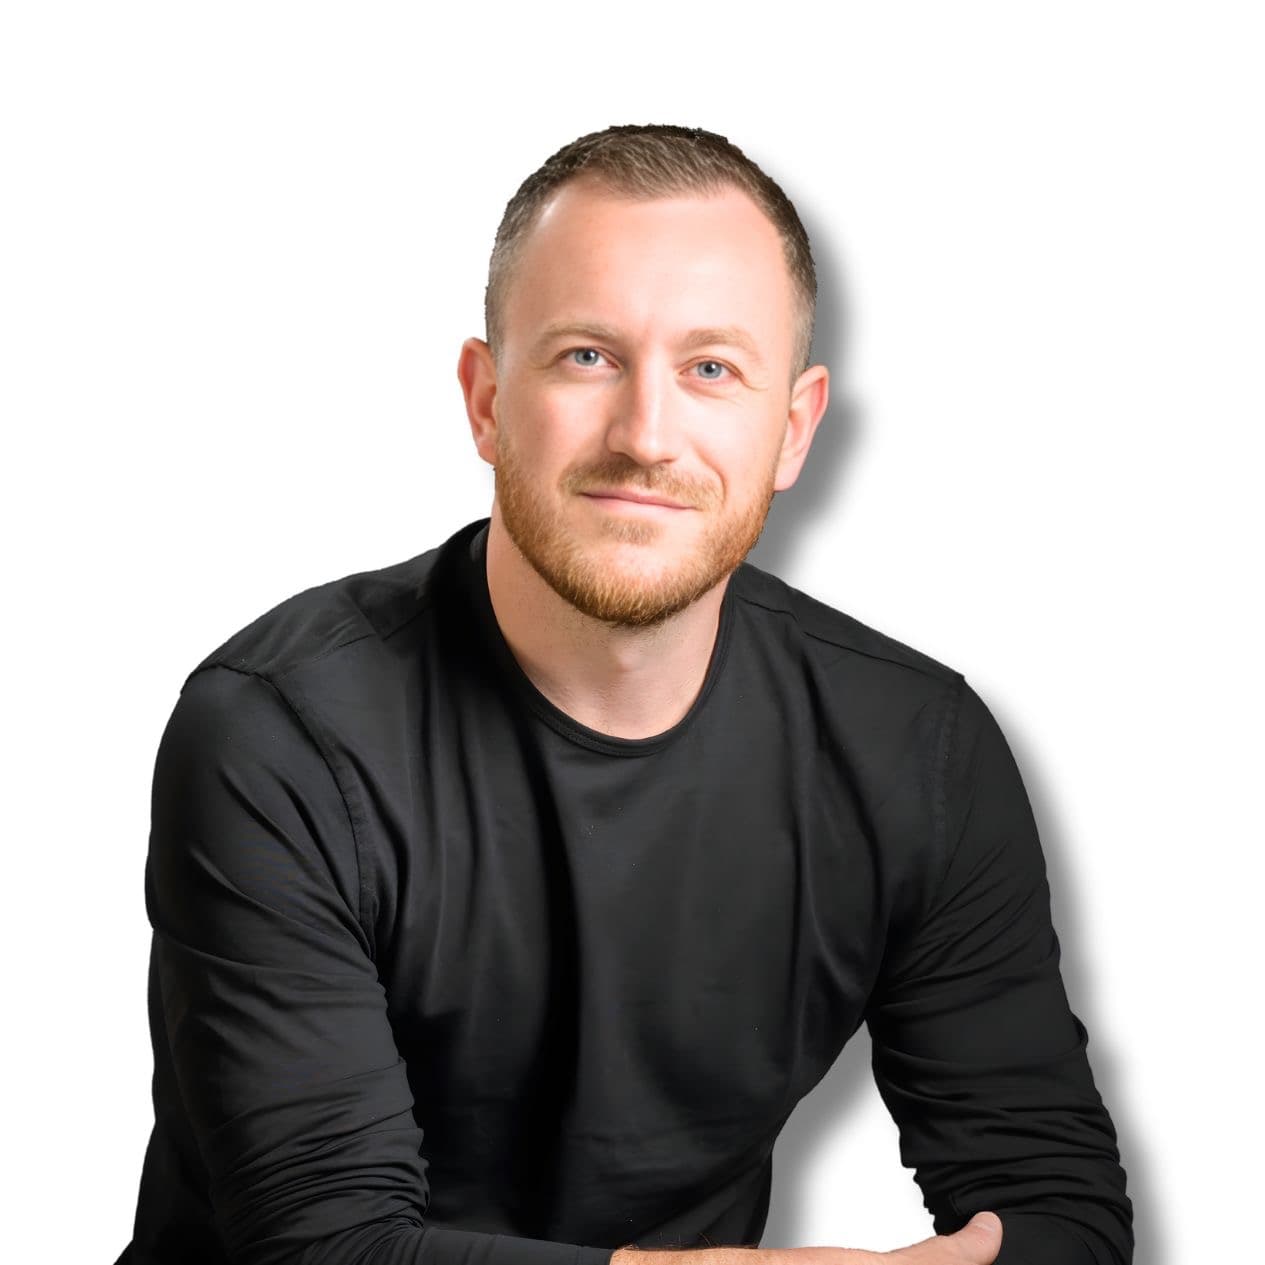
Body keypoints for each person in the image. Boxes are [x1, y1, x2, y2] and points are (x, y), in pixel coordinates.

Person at [116, 124, 1132, 1265]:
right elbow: (327, 1249)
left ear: (791, 429)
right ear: (486, 399)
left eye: (711, 369)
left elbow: (1058, 1209)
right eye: (588, 356)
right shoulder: (280, 734)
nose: (646, 436)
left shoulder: (914, 751)